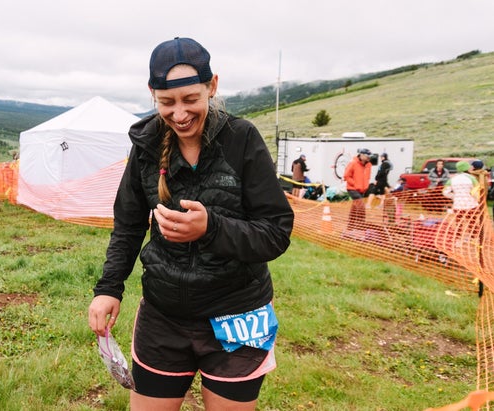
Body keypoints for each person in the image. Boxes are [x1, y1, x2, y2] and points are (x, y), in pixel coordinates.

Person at [87, 37, 294, 411]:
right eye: (166, 102)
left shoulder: (242, 139)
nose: (179, 113)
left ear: (212, 86)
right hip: (163, 317)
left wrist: (211, 228)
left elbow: (276, 232)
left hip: (238, 315)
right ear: (152, 94)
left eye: (190, 99)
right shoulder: (146, 145)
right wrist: (109, 288)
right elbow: (129, 224)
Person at [343, 148, 372, 230]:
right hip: (352, 188)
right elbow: (346, 176)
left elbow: (368, 177)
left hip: (362, 189)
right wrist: (355, 184)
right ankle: (361, 226)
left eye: (369, 156)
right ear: (361, 155)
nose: (368, 158)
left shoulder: (368, 165)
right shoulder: (353, 163)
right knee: (361, 207)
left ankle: (350, 227)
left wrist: (366, 186)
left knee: (355, 208)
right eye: (367, 156)